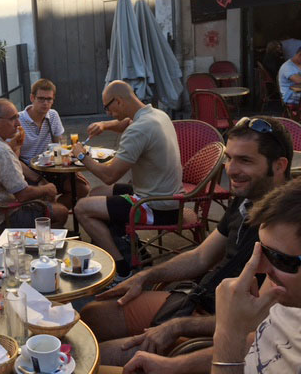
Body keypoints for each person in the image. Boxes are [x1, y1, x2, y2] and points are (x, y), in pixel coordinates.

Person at [86, 116, 292, 373]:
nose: (231, 170)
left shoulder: (288, 229)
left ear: (279, 165)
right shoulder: (247, 199)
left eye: (245, 160)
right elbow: (200, 257)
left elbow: (261, 321)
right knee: (91, 315)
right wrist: (145, 276)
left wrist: (179, 326)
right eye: (229, 158)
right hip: (194, 299)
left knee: (94, 356)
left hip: (218, 324)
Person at [71, 80, 182, 279]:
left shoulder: (139, 129)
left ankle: (122, 269)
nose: (108, 113)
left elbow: (109, 175)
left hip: (155, 205)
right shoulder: (156, 114)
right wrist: (104, 126)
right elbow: (124, 123)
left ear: (119, 101)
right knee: (96, 194)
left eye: (107, 107)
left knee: (82, 208)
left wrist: (81, 155)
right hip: (168, 197)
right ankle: (131, 247)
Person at [211, 179, 301, 374]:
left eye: (279, 258)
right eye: (261, 250)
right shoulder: (288, 294)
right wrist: (171, 365)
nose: (260, 269)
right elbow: (258, 343)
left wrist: (229, 334)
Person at [0, 98, 69, 229]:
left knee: (44, 199)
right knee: (61, 212)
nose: (18, 123)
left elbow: (4, 168)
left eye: (17, 117)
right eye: (12, 119)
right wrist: (47, 188)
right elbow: (23, 194)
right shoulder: (1, 151)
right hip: (2, 217)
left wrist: (16, 147)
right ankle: (41, 240)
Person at [18, 78, 90, 209]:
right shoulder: (18, 121)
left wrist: (72, 170)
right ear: (32, 98)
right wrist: (38, 179)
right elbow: (13, 159)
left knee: (82, 188)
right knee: (40, 199)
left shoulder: (53, 115)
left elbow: (61, 146)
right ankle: (50, 212)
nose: (45, 103)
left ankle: (53, 212)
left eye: (49, 99)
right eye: (41, 99)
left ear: (53, 99)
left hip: (50, 167)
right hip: (28, 170)